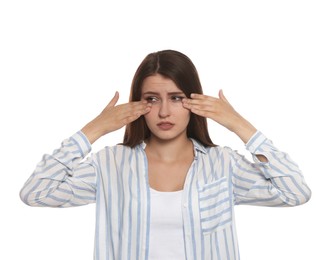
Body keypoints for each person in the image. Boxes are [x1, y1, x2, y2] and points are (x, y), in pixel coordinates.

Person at [20, 49, 311, 260]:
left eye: (176, 98)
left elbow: (295, 192)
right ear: (138, 104)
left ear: (194, 101)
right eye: (151, 99)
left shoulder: (223, 165)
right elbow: (36, 192)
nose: (163, 112)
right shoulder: (110, 165)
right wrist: (93, 129)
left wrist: (239, 124)